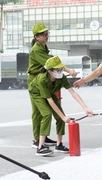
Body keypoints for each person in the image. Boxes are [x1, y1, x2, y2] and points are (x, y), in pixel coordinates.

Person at [27, 22, 77, 151]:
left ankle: (43, 137)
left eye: (47, 33)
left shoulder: (43, 47)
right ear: (36, 37)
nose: (46, 36)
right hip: (36, 80)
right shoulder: (37, 49)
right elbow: (51, 65)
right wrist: (68, 70)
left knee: (45, 111)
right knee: (39, 112)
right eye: (43, 34)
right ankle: (37, 139)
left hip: (44, 78)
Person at [31, 56, 95, 156]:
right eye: (57, 69)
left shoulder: (61, 78)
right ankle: (40, 147)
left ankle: (59, 145)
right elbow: (50, 101)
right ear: (49, 71)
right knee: (47, 114)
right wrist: (63, 117)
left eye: (61, 68)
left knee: (60, 117)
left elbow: (73, 93)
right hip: (36, 93)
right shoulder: (42, 80)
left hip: (50, 93)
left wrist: (85, 108)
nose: (60, 71)